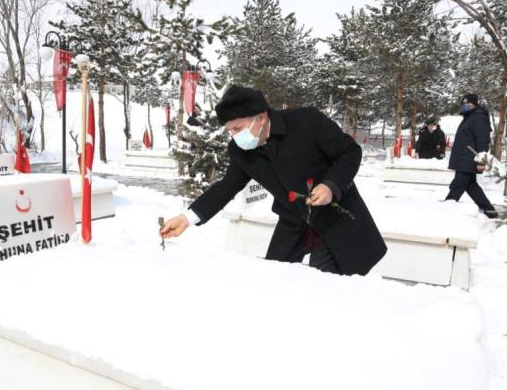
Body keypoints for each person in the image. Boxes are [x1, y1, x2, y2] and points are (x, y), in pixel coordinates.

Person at [160, 85, 387, 275]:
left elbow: (350, 152)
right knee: (274, 277)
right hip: (294, 222)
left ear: (260, 117)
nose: (235, 136)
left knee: (326, 285)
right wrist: (187, 218)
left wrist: (330, 185)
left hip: (336, 218)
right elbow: (227, 186)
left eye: (238, 128)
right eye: (229, 131)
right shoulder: (240, 150)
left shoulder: (307, 121)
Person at [445, 93, 498, 218]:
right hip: (464, 159)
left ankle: (445, 210)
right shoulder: (470, 117)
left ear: (475, 104)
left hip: (469, 160)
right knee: (471, 187)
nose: (465, 105)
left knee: (457, 186)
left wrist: (481, 161)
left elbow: (482, 140)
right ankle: (490, 211)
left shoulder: (478, 118)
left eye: (468, 103)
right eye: (463, 103)